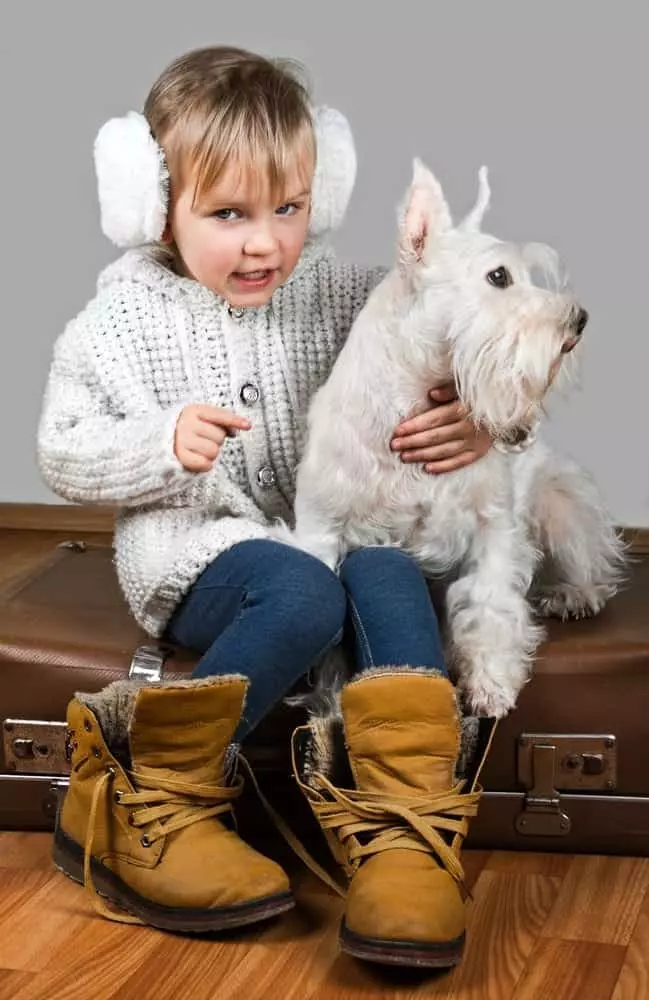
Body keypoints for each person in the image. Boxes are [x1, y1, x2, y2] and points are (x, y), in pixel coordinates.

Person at [38, 45, 495, 966]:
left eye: (288, 209)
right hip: (200, 548)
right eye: (228, 214)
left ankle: (403, 824)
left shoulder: (339, 290)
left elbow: (454, 339)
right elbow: (62, 448)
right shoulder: (116, 324)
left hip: (336, 527)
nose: (265, 242)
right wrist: (158, 446)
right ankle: (152, 791)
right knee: (302, 592)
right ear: (151, 204)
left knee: (388, 569)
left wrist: (479, 421)